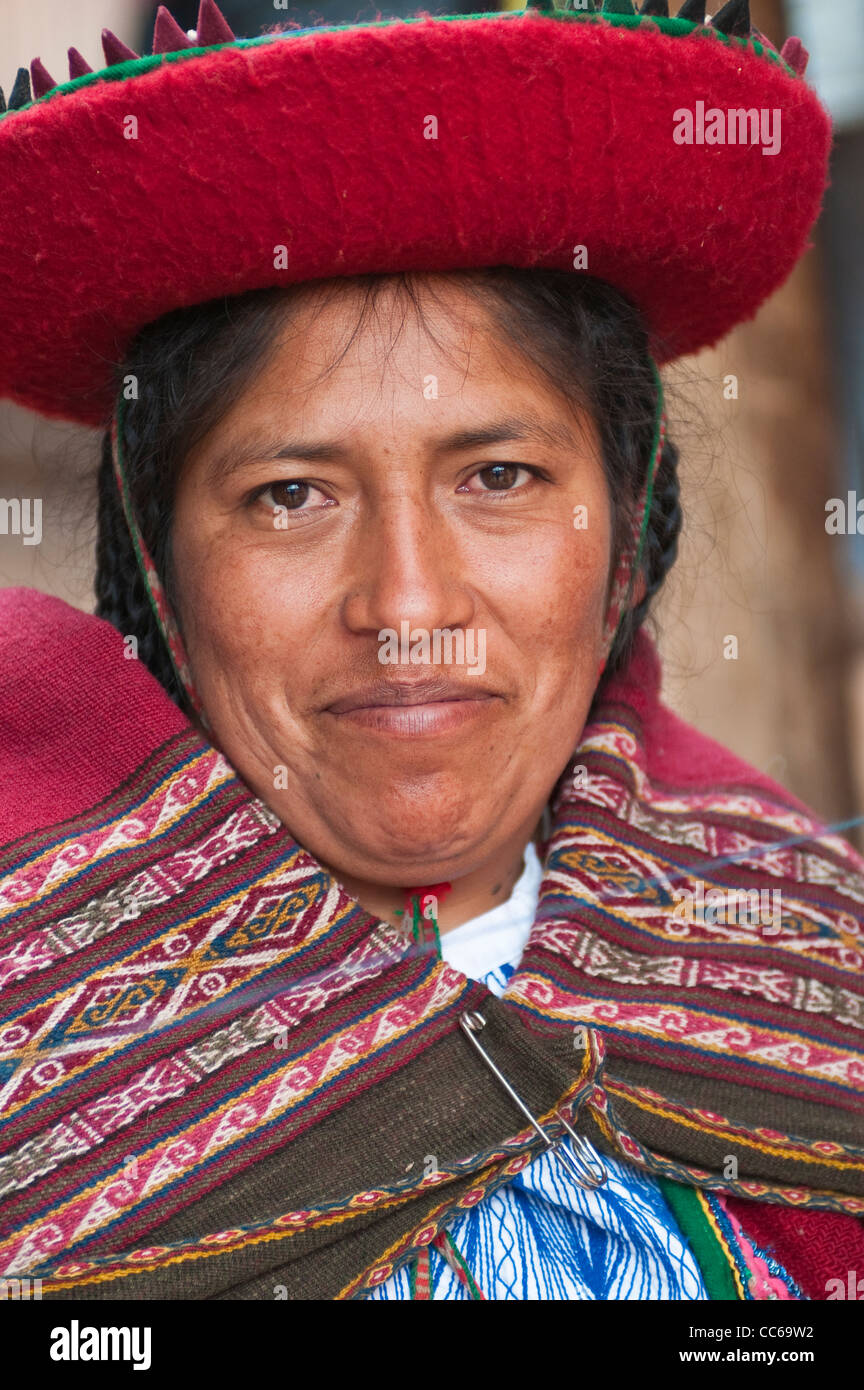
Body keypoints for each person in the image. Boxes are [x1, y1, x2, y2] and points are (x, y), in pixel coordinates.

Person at [0, 0, 861, 1302]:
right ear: (159, 565)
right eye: (291, 494)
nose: (405, 603)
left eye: (499, 474)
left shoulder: (818, 966)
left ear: (625, 530)